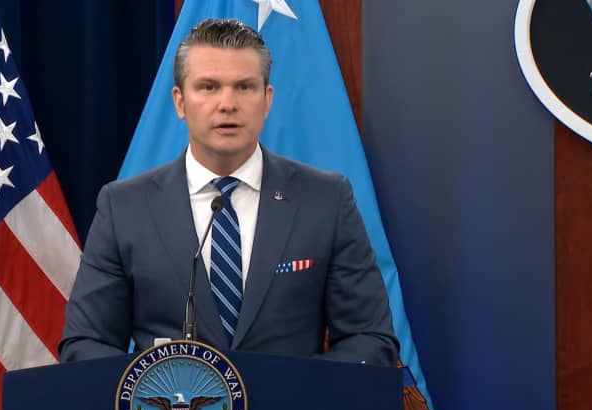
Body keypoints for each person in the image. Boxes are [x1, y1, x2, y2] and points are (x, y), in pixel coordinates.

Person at [58, 19, 399, 367]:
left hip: (293, 403)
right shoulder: (125, 208)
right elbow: (85, 345)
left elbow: (370, 341)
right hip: (172, 403)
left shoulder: (326, 200)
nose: (227, 103)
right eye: (208, 87)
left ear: (267, 100)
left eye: (244, 87)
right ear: (180, 102)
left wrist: (295, 390)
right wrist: (155, 392)